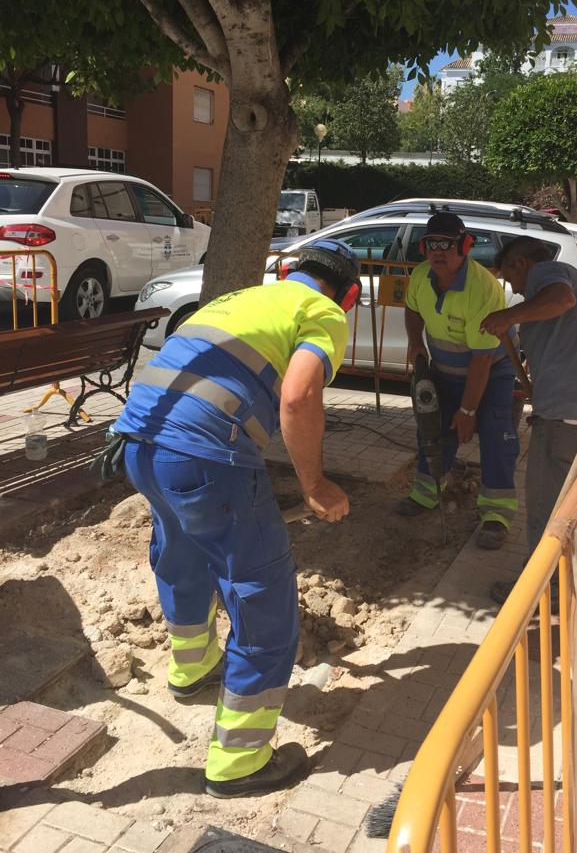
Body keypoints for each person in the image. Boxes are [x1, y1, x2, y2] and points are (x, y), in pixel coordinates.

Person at [111, 239, 361, 797]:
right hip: (205, 457)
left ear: (288, 271)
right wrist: (315, 486)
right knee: (262, 596)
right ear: (348, 295)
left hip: (138, 446)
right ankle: (239, 761)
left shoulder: (239, 299)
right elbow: (298, 396)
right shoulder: (321, 311)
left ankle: (192, 668)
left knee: (181, 557)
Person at [480, 236, 577, 606]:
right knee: (569, 504)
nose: (514, 289)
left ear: (522, 263)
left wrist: (507, 316)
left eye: (511, 277)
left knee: (546, 508)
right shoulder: (576, 279)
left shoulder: (550, 274)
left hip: (563, 418)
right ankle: (566, 579)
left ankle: (542, 590)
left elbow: (561, 299)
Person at [396, 210, 519, 550]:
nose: (439, 252)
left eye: (447, 245)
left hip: (491, 371)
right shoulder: (420, 276)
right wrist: (415, 342)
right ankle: (426, 493)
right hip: (444, 369)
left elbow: (482, 358)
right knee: (432, 428)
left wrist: (467, 412)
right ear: (424, 248)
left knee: (495, 433)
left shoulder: (482, 288)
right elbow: (412, 308)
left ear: (464, 246)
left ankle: (496, 513)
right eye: (432, 244)